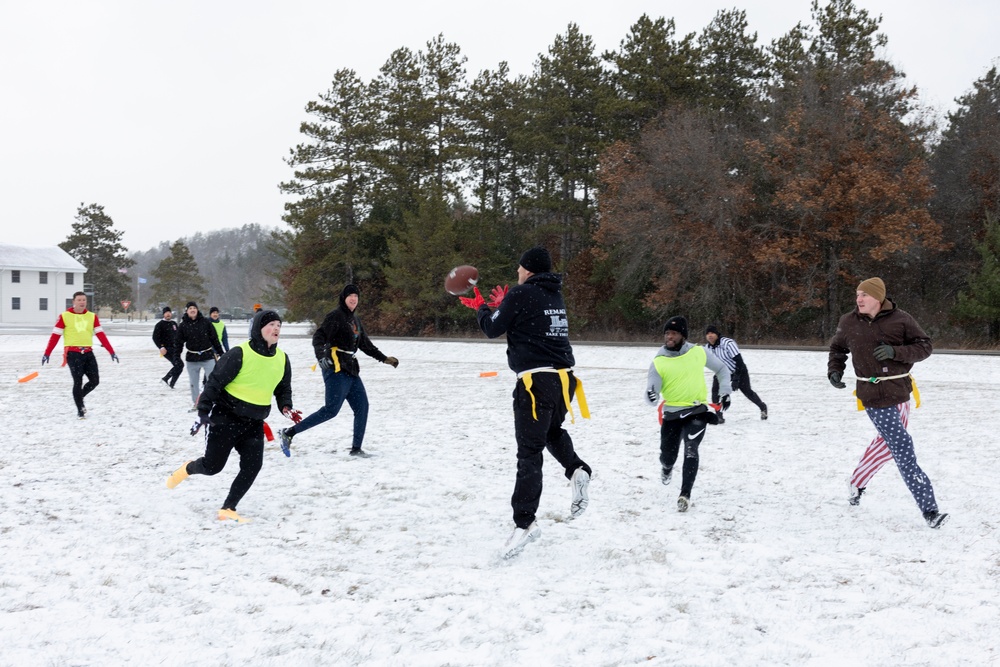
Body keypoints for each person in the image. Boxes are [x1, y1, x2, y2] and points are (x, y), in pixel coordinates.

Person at [462, 246, 592, 558]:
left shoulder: (521, 294)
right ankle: (576, 470)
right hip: (565, 381)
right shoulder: (552, 295)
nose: (517, 273)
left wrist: (483, 308)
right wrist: (501, 306)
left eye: (520, 268)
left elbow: (492, 329)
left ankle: (525, 524)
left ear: (529, 269)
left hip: (536, 383)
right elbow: (526, 324)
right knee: (550, 432)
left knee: (529, 454)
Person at [828, 277, 948, 529]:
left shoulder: (901, 319)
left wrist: (897, 352)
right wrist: (835, 370)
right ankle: (929, 509)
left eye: (864, 295)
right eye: (857, 294)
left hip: (900, 390)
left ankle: (857, 482)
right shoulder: (848, 322)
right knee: (901, 444)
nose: (859, 299)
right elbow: (838, 349)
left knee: (887, 442)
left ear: (878, 298)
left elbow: (925, 346)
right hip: (872, 395)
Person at [166, 309, 298, 523]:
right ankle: (188, 468)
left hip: (254, 422)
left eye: (279, 325)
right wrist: (202, 412)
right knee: (212, 467)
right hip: (224, 418)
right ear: (258, 328)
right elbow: (214, 383)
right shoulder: (239, 353)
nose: (276, 329)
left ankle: (228, 508)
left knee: (253, 466)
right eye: (271, 324)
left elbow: (283, 389)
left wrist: (286, 407)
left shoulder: (282, 359)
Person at [278, 285, 398, 458]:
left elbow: (365, 345)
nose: (353, 298)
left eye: (356, 296)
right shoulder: (335, 316)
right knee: (330, 410)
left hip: (351, 369)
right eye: (350, 295)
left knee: (362, 407)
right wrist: (321, 356)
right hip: (335, 368)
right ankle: (289, 433)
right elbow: (318, 337)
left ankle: (356, 449)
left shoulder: (355, 320)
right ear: (343, 298)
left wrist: (384, 358)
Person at [645, 316, 731, 512]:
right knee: (668, 455)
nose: (669, 337)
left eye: (673, 333)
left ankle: (685, 494)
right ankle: (666, 468)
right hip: (672, 414)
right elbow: (652, 392)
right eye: (667, 333)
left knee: (691, 449)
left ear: (683, 335)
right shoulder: (659, 361)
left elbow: (722, 369)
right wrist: (651, 396)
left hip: (697, 411)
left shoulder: (698, 352)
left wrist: (725, 392)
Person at [42, 291, 119, 419]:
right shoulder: (64, 316)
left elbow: (101, 335)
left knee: (95, 381)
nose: (82, 302)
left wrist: (111, 351)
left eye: (84, 300)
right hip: (73, 354)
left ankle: (79, 397)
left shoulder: (92, 316)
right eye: (79, 300)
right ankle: (80, 409)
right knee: (78, 381)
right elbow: (55, 337)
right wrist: (47, 353)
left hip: (88, 353)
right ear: (73, 302)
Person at [704, 325, 768, 420]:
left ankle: (762, 407)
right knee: (715, 391)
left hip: (739, 369)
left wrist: (736, 379)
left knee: (747, 391)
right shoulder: (707, 348)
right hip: (722, 373)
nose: (710, 335)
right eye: (708, 334)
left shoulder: (727, 343)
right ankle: (719, 415)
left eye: (712, 333)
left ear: (717, 334)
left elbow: (739, 361)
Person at [175, 301, 224, 411]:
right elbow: (178, 342)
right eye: (190, 308)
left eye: (194, 308)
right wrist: (176, 357)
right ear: (186, 311)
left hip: (207, 356)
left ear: (197, 310)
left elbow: (214, 339)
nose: (192, 310)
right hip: (192, 358)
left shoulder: (205, 322)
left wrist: (221, 353)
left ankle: (213, 402)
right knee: (194, 383)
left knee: (212, 381)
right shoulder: (183, 325)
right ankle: (197, 404)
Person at [153, 306, 183, 388]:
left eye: (169, 312)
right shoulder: (160, 325)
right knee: (179, 365)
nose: (168, 314)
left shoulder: (173, 324)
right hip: (166, 349)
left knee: (179, 366)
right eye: (166, 313)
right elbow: (155, 337)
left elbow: (178, 335)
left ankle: (171, 384)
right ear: (164, 314)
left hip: (175, 349)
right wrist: (161, 347)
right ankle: (165, 379)